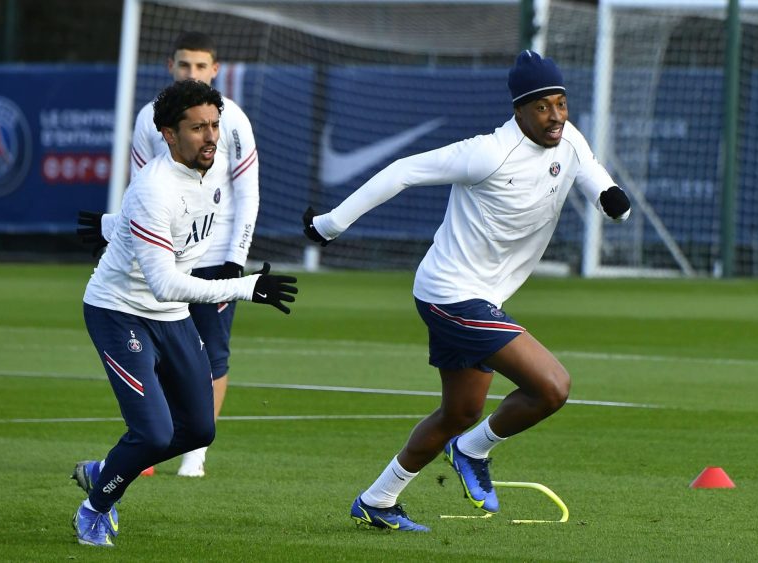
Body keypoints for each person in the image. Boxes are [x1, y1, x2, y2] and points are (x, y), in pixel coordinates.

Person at [302, 50, 630, 532]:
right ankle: (472, 450)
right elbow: (402, 172)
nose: (556, 115)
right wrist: (330, 225)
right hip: (450, 294)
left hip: (482, 298)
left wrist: (610, 197)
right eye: (542, 107)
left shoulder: (569, 138)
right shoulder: (488, 153)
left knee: (461, 411)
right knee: (553, 386)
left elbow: (591, 170)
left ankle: (379, 499)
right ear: (519, 110)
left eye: (561, 103)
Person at [72, 79, 296, 547]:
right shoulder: (154, 187)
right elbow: (165, 281)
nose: (211, 136)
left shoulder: (208, 173)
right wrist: (247, 287)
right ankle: (95, 509)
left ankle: (106, 471)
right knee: (153, 433)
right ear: (169, 134)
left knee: (198, 429)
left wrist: (110, 226)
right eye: (197, 128)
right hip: (120, 313)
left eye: (214, 125)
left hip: (170, 315)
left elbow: (168, 238)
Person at [120, 31, 261, 478]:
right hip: (169, 252)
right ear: (170, 67)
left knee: (212, 354)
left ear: (215, 70)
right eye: (185, 65)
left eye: (201, 67)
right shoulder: (149, 120)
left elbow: (248, 190)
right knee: (159, 348)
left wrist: (237, 256)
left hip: (217, 253)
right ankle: (148, 441)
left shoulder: (232, 119)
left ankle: (195, 453)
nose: (192, 73)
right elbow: (141, 191)